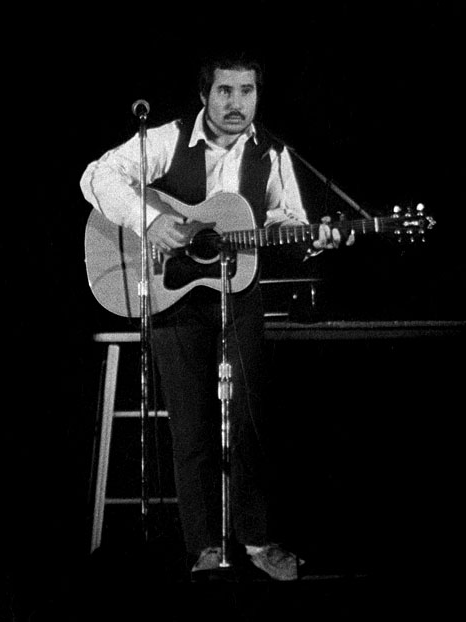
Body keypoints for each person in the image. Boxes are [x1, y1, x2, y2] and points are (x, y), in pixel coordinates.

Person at [80, 52, 345, 581]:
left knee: (248, 421)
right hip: (172, 296)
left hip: (237, 293)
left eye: (247, 91)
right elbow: (97, 176)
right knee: (191, 426)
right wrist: (149, 221)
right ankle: (202, 546)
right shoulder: (166, 139)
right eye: (225, 91)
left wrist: (315, 239)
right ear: (205, 95)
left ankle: (256, 539)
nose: (236, 103)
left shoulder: (272, 153)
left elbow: (285, 220)